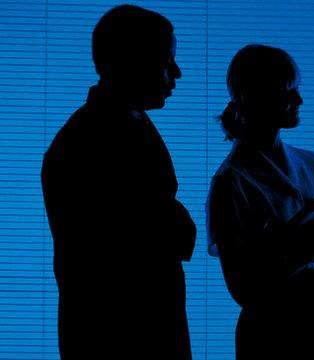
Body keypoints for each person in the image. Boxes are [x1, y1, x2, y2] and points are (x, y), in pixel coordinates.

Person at [207, 44, 314, 359]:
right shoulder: (231, 183)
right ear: (253, 96)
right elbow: (244, 290)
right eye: (288, 91)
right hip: (272, 328)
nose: (299, 100)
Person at [41, 5, 195, 359]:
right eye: (166, 59)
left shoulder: (123, 126)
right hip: (120, 338)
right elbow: (156, 234)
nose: (177, 72)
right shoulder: (91, 140)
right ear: (130, 61)